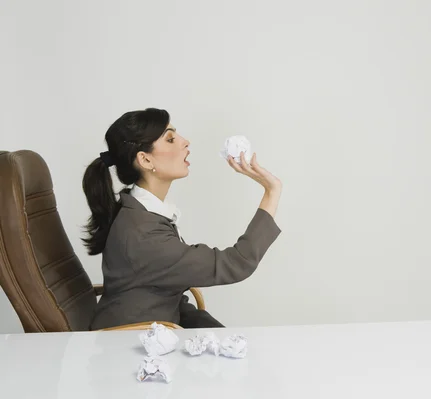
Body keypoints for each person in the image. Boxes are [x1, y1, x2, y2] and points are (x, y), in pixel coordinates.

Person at [82, 108, 282, 330]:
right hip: (130, 346)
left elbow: (165, 290)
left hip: (156, 330)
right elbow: (237, 263)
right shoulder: (144, 234)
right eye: (170, 139)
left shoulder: (141, 212)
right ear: (145, 160)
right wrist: (272, 191)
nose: (185, 142)